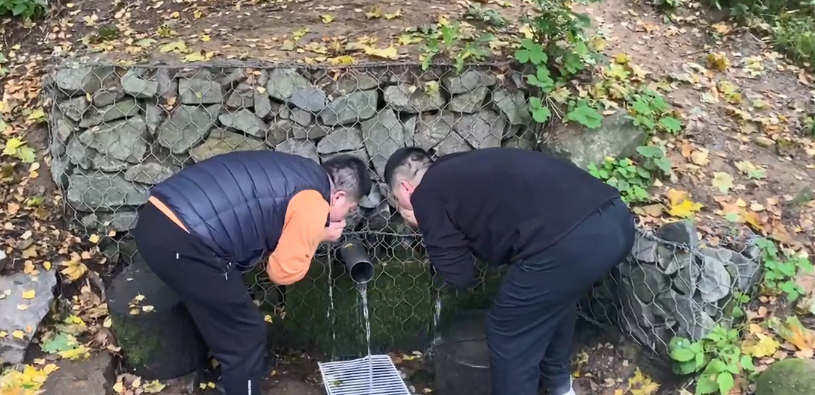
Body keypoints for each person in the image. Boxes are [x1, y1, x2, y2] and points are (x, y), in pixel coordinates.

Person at [383, 147, 635, 395]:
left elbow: (458, 275)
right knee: (555, 302)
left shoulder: (424, 195)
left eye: (397, 199)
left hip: (571, 243)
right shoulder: (461, 167)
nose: (400, 206)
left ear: (406, 188)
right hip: (617, 221)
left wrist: (425, 223)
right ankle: (560, 387)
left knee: (507, 331)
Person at [134, 150, 372, 395]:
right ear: (339, 197)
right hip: (185, 241)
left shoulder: (300, 170)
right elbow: (283, 273)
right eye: (350, 208)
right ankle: (239, 385)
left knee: (229, 310)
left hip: (158, 218)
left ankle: (234, 373)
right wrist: (319, 234)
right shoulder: (314, 203)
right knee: (246, 333)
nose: (346, 216)